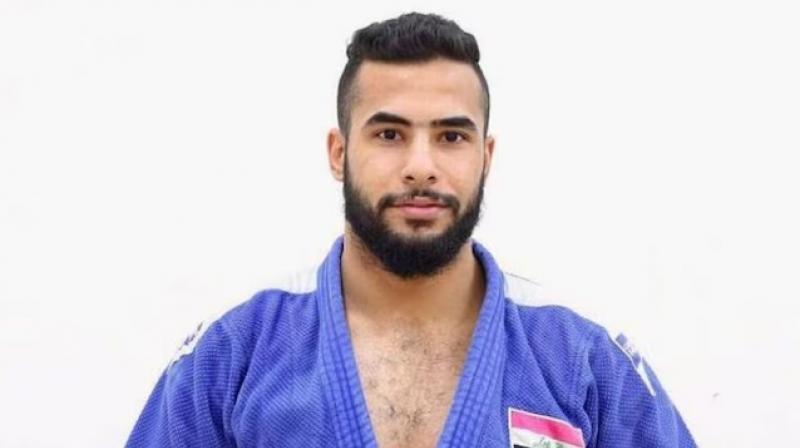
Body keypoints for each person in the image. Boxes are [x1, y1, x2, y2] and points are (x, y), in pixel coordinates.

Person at [127, 12, 696, 448]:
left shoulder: (582, 359)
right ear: (338, 152)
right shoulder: (236, 352)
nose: (421, 166)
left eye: (451, 137)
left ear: (485, 157)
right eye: (389, 134)